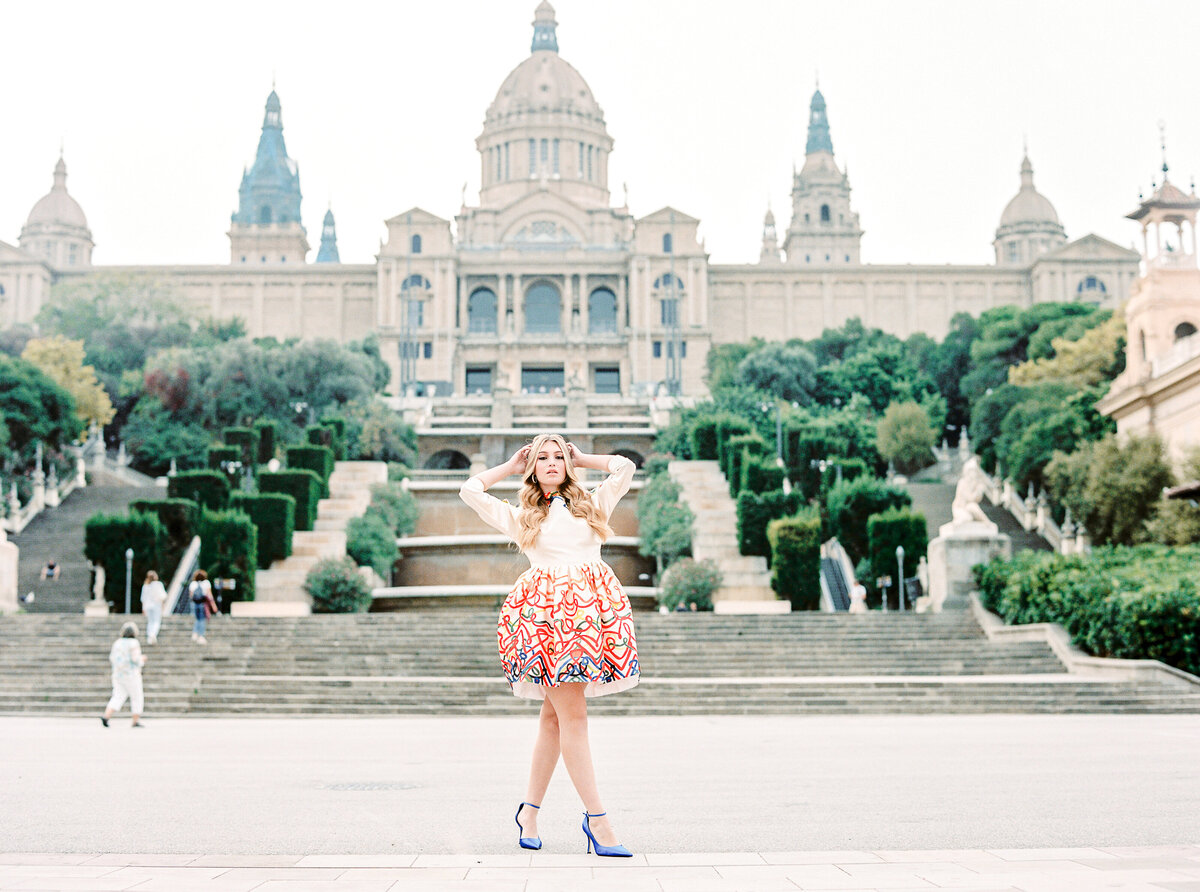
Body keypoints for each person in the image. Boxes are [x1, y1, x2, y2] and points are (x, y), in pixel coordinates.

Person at [460, 435, 638, 857]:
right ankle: (598, 820)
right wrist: (508, 465)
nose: (553, 462)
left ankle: (529, 812)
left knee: (554, 720)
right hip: (548, 624)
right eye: (543, 457)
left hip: (591, 619)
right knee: (573, 716)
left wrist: (582, 458)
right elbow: (470, 490)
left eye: (559, 456)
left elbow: (625, 467)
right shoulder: (522, 516)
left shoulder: (593, 504)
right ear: (532, 467)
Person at [102, 622, 146, 728]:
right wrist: (142, 660)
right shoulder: (134, 643)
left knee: (117, 696)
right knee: (137, 697)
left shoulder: (117, 643)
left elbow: (112, 658)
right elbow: (135, 659)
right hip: (132, 674)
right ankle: (135, 721)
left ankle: (106, 716)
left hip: (118, 674)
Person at [186, 570, 215, 644]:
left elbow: (191, 596)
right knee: (202, 619)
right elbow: (209, 595)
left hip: (195, 603)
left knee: (197, 618)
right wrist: (213, 605)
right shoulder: (206, 583)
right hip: (203, 603)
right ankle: (201, 636)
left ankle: (195, 633)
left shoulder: (193, 584)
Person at [140, 571, 167, 645]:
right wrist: (162, 605)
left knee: (150, 621)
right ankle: (153, 634)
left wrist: (143, 609)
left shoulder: (145, 586)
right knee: (156, 621)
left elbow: (143, 598)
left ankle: (149, 636)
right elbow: (163, 596)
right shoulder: (159, 584)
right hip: (156, 605)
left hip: (148, 606)